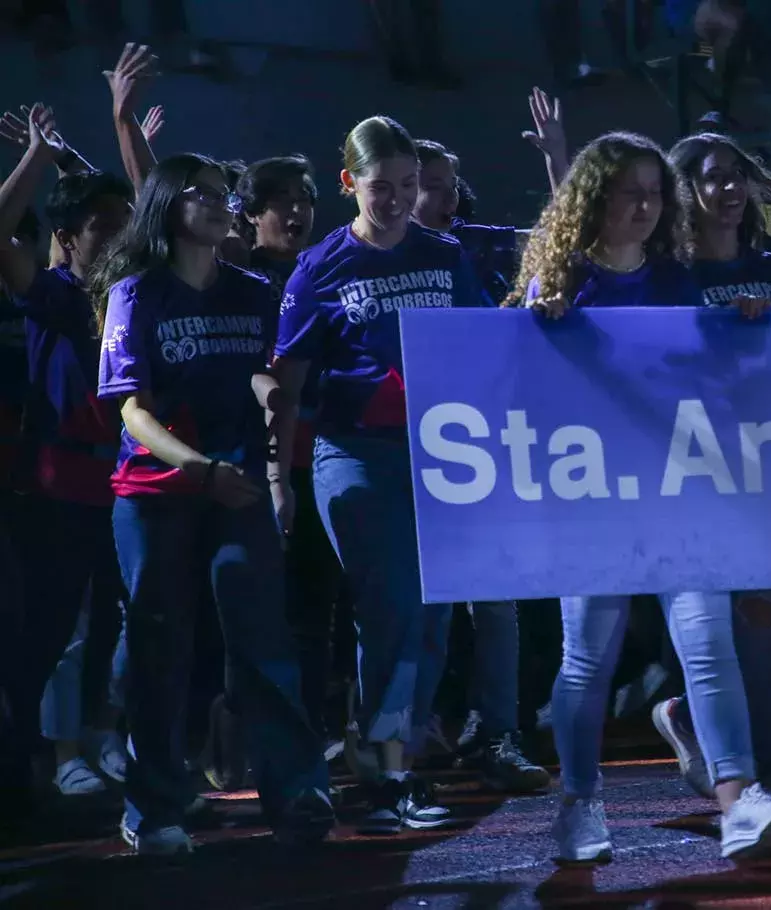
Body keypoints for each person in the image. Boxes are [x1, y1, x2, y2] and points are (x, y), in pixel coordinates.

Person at [508, 130, 771, 862]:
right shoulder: (561, 282)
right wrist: (536, 330)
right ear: (596, 199)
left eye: (653, 191)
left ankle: (738, 802)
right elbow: (521, 379)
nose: (644, 205)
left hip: (678, 489)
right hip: (592, 496)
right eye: (628, 192)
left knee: (707, 645)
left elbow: (705, 364)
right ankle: (580, 804)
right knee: (588, 660)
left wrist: (743, 327)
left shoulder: (674, 277)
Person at [91, 151, 333, 855]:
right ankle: (155, 805)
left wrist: (271, 402)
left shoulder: (253, 291)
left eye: (225, 194)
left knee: (263, 639)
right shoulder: (137, 293)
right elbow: (130, 413)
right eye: (203, 193)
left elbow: (263, 374)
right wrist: (199, 471)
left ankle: (297, 790)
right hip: (157, 492)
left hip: (238, 488)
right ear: (168, 204)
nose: (220, 204)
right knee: (160, 648)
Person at [270, 116, 487, 833]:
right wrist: (279, 477)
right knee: (391, 608)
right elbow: (288, 380)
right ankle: (390, 776)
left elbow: (486, 342)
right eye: (379, 187)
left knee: (432, 621)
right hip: (354, 457)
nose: (395, 200)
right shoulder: (319, 266)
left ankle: (388, 749)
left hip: (442, 460)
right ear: (348, 184)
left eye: (408, 186)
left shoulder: (446, 254)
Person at [649, 131, 771, 802]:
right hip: (700, 476)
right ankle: (764, 771)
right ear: (683, 191)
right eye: (713, 178)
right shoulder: (668, 281)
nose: (730, 189)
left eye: (738, 176)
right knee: (750, 618)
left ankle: (689, 715)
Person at [0, 105, 133, 799]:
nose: (115, 237)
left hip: (130, 480)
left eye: (120, 225)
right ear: (66, 238)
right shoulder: (54, 295)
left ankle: (107, 737)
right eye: (99, 228)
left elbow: (147, 210)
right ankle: (58, 756)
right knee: (63, 626)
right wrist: (34, 159)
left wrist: (79, 156)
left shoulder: (137, 295)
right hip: (61, 481)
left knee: (122, 619)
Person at [409, 137, 548, 793]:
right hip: (401, 457)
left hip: (483, 450)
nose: (439, 198)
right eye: (424, 183)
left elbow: (558, 236)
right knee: (423, 612)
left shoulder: (474, 249)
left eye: (446, 184)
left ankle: (499, 732)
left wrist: (556, 157)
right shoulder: (356, 258)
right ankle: (408, 736)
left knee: (496, 606)